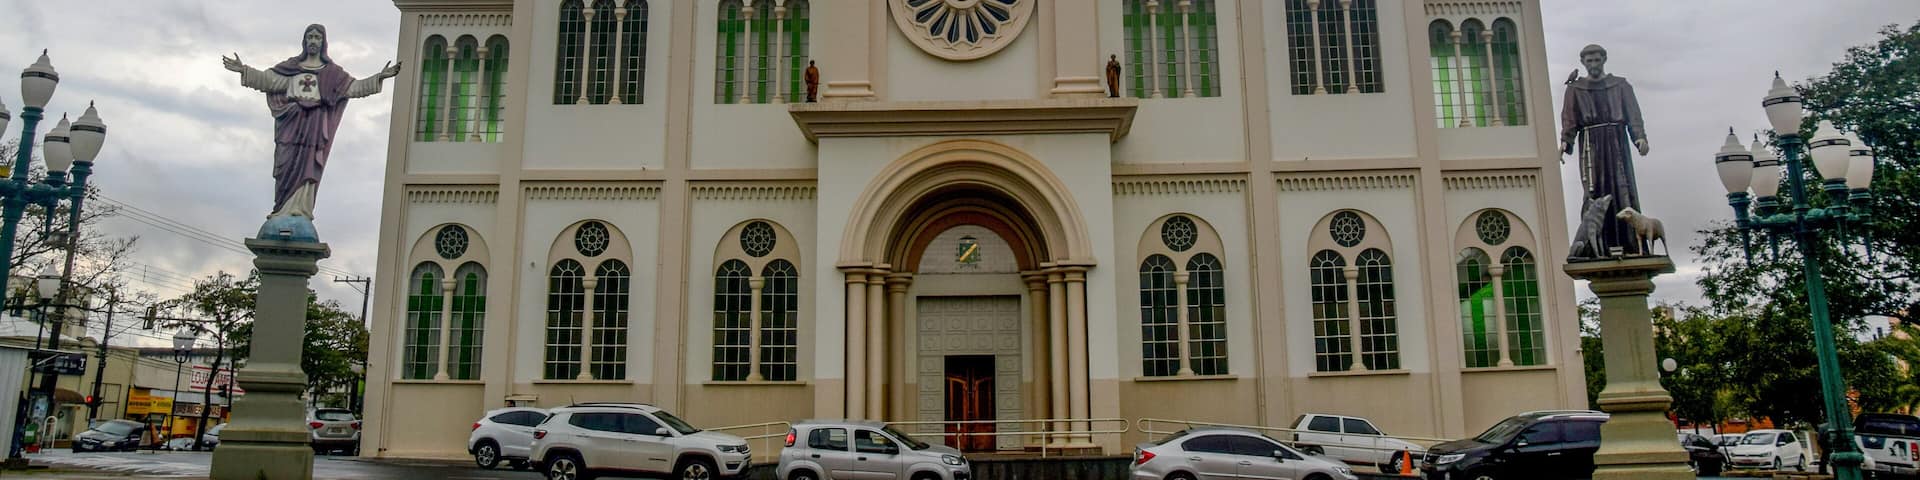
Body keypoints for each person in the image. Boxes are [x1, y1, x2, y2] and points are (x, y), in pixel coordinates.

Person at [222, 24, 400, 220]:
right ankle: (282, 209)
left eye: (317, 37)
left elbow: (353, 88)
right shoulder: (291, 68)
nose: (313, 41)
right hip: (291, 126)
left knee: (308, 166)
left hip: (313, 128)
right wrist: (243, 70)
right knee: (286, 166)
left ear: (323, 43)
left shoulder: (332, 74)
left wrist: (379, 77)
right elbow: (267, 80)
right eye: (310, 37)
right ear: (304, 41)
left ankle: (301, 209)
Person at [1560, 44, 1650, 258]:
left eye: (1596, 60)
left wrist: (1639, 137)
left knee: (1623, 188)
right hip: (1591, 144)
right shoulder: (1575, 88)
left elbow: (1633, 115)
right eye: (1589, 61)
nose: (1593, 64)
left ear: (1604, 59)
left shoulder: (1621, 85)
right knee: (1594, 191)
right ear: (1583, 63)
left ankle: (1630, 243)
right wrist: (1565, 141)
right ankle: (1595, 248)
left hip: (1617, 142)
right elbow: (1569, 118)